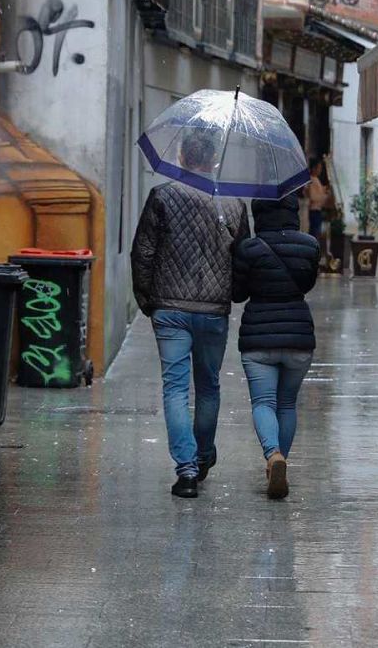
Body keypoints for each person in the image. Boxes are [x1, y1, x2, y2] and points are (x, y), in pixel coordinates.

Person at [131, 131, 250, 498]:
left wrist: (147, 299)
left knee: (176, 388)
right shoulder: (233, 204)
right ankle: (201, 456)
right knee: (209, 385)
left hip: (169, 309)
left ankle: (186, 470)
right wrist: (234, 294)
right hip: (213, 311)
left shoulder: (162, 197)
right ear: (213, 160)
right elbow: (242, 259)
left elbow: (143, 253)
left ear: (181, 157)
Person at [230, 192, 320, 499]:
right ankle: (278, 463)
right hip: (298, 337)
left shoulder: (249, 249)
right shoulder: (309, 246)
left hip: (258, 338)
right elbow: (306, 284)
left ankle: (273, 456)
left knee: (263, 403)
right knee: (287, 404)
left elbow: (238, 293)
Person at [305, 157, 333, 242]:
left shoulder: (315, 179)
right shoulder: (312, 180)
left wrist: (324, 189)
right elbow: (313, 197)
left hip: (317, 211)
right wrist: (325, 196)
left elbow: (318, 191)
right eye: (319, 168)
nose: (320, 170)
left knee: (316, 233)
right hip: (314, 211)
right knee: (314, 234)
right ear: (314, 168)